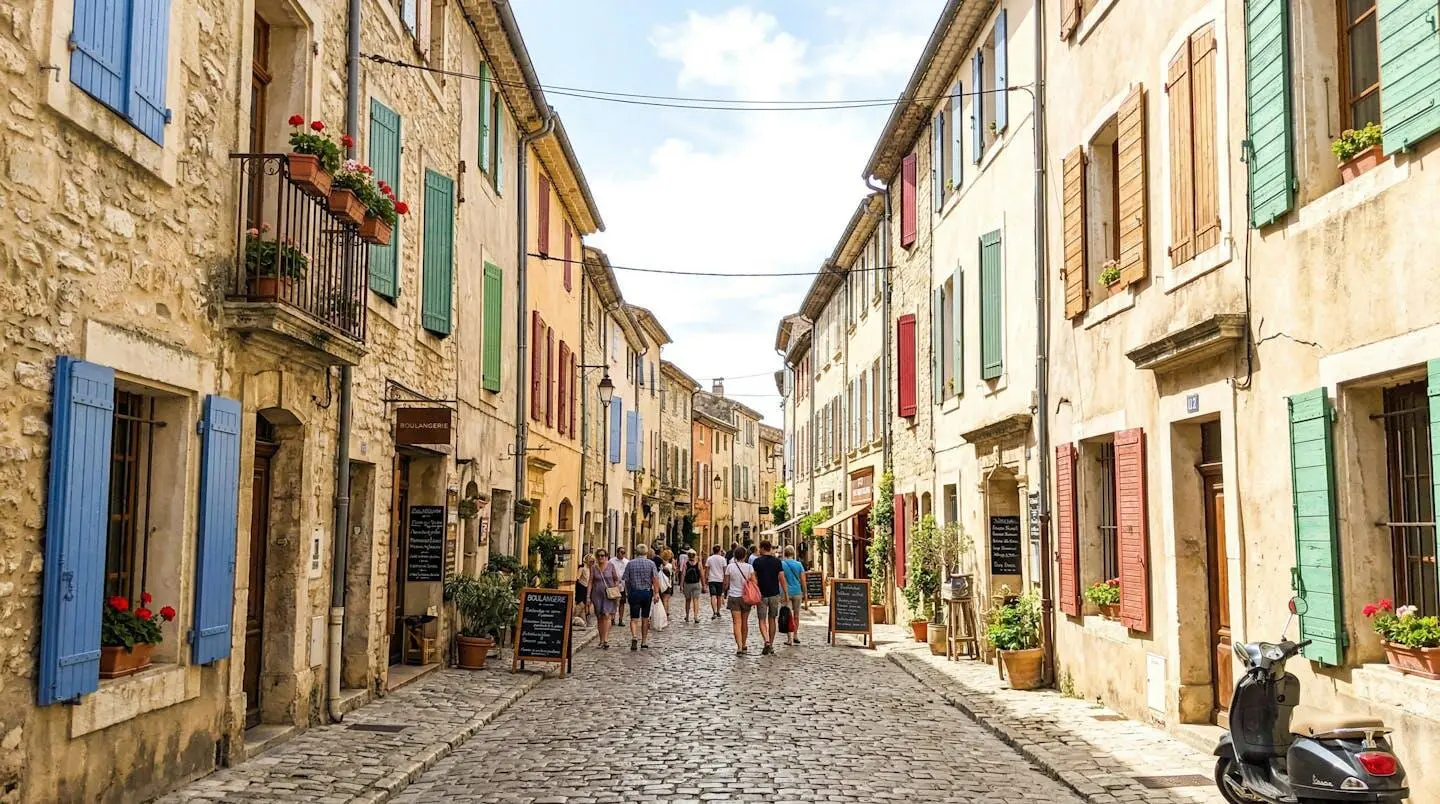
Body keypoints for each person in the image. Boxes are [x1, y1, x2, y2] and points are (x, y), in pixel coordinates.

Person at [622, 544, 663, 650]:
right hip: (646, 593)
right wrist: (656, 593)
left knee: (634, 618)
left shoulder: (630, 563)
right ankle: (644, 641)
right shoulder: (651, 563)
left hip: (634, 592)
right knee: (645, 618)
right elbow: (655, 579)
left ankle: (634, 636)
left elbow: (626, 579)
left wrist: (628, 591)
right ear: (646, 553)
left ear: (636, 552)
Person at [750, 541, 785, 655]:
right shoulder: (777, 562)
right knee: (772, 619)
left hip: (761, 595)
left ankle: (766, 640)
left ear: (763, 548)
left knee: (762, 619)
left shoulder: (757, 561)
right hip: (774, 594)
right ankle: (772, 643)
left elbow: (753, 578)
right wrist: (786, 593)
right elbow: (781, 578)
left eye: (760, 548)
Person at [725, 546, 756, 654]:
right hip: (746, 597)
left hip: (734, 596)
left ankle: (738, 646)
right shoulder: (749, 567)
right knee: (745, 622)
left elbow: (726, 583)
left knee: (736, 623)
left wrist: (725, 592)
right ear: (745, 556)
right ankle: (744, 644)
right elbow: (754, 582)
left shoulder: (730, 567)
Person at [588, 550, 621, 649]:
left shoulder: (611, 566)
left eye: (602, 555)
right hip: (597, 595)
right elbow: (590, 582)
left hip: (608, 595)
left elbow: (616, 579)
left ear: (606, 556)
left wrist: (616, 589)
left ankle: (606, 639)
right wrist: (588, 596)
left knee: (607, 615)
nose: (600, 557)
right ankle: (601, 640)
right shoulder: (594, 567)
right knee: (599, 617)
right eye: (598, 555)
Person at [781, 545, 805, 646]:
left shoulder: (782, 564)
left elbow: (780, 578)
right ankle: (795, 635)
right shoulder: (799, 564)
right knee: (796, 615)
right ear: (793, 553)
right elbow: (803, 580)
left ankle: (789, 638)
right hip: (797, 592)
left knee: (787, 615)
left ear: (785, 553)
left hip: (786, 592)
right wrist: (805, 593)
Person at [704, 545, 728, 620]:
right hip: (720, 579)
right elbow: (725, 570)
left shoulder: (709, 559)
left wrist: (706, 579)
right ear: (719, 551)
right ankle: (718, 611)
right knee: (719, 596)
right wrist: (725, 579)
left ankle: (714, 611)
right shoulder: (723, 559)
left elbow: (707, 570)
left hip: (712, 579)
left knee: (713, 596)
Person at [681, 549, 703, 623]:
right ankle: (695, 616)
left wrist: (681, 585)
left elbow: (683, 574)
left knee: (687, 600)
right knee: (696, 600)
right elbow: (702, 575)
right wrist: (704, 585)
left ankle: (687, 616)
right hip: (696, 584)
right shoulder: (699, 564)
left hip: (687, 584)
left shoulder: (686, 564)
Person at [575, 552, 594, 627]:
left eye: (593, 561)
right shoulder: (582, 568)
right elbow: (577, 579)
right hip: (581, 588)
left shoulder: (592, 569)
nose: (592, 563)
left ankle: (585, 622)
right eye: (591, 561)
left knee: (586, 606)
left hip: (588, 588)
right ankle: (573, 617)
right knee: (581, 605)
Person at [612, 547, 629, 626]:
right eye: (621, 552)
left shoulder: (626, 562)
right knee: (613, 602)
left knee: (622, 603)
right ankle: (612, 618)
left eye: (624, 552)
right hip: (613, 585)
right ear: (617, 552)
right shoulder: (612, 561)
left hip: (623, 585)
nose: (623, 554)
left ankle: (620, 619)